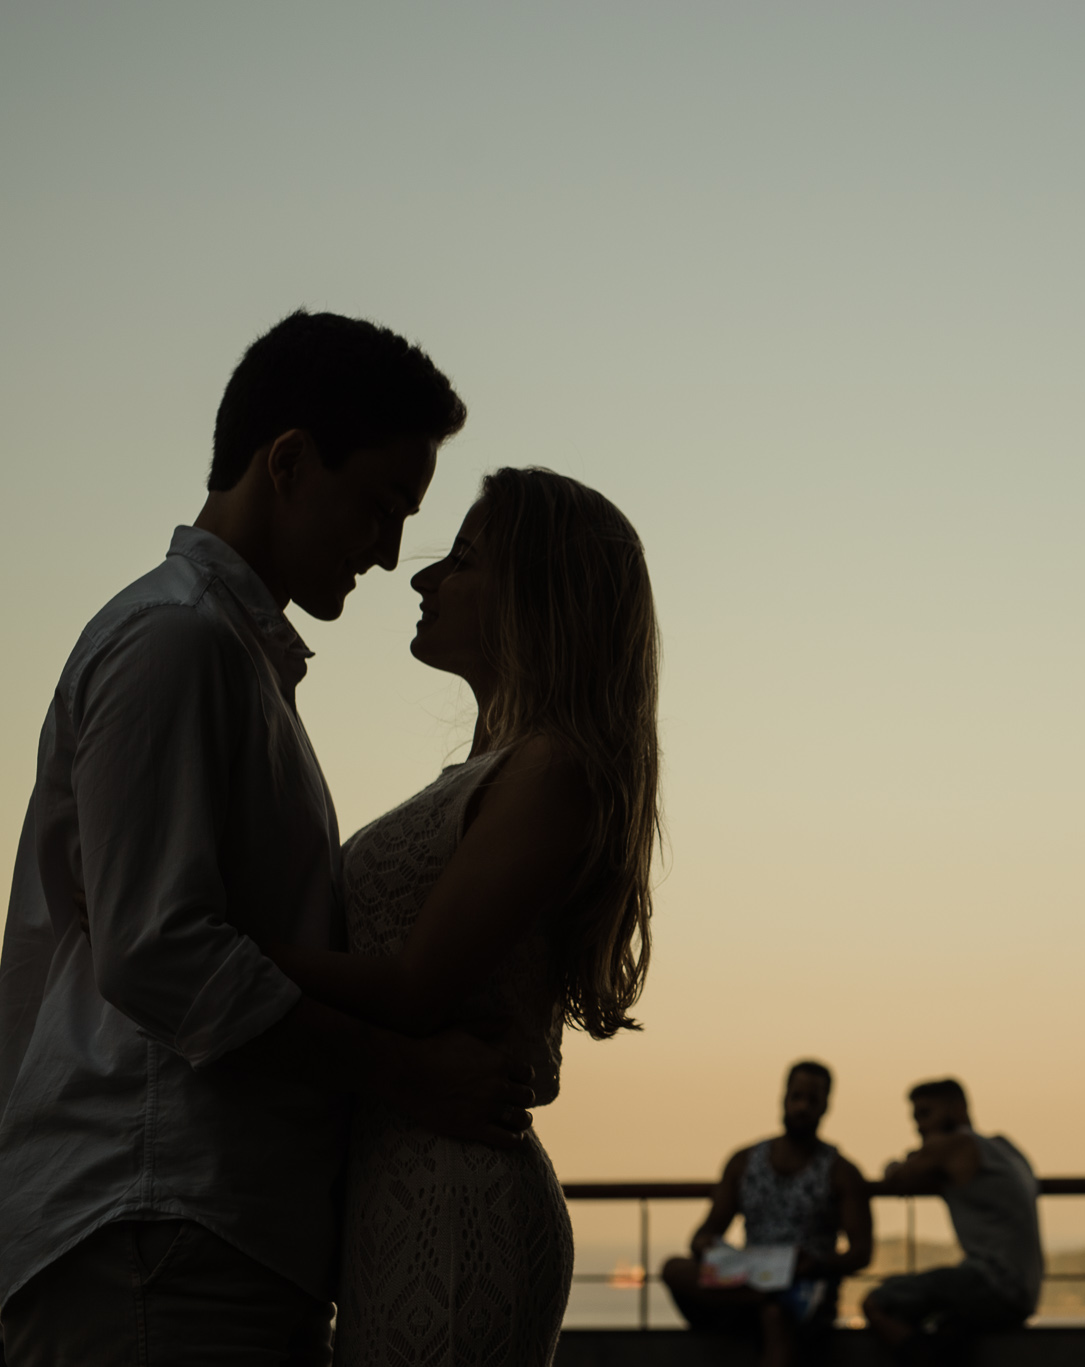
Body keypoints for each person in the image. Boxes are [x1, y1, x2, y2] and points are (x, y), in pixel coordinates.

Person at [0, 312, 534, 1364]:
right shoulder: (176, 640)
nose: (388, 554)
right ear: (289, 461)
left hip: (196, 1229)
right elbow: (158, 953)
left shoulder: (230, 659)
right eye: (381, 505)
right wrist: (410, 1072)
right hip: (154, 1222)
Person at [253, 464, 663, 1364]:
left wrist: (206, 943)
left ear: (538, 594)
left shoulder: (553, 770)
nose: (423, 575)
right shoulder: (504, 771)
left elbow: (413, 988)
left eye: (464, 557)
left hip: (452, 1198)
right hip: (405, 1189)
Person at [660, 1061, 875, 1365]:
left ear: (826, 1106)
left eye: (812, 1100)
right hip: (748, 1279)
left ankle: (769, 1298)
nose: (802, 1107)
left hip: (805, 1285)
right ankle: (767, 1295)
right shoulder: (744, 1162)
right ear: (783, 1098)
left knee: (775, 1317)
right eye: (797, 1097)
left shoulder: (842, 1173)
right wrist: (707, 1247)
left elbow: (861, 1252)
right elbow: (705, 1233)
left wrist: (816, 1263)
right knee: (673, 1268)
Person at [865, 1079, 1043, 1365]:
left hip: (992, 1282)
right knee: (948, 1330)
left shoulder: (956, 1145)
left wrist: (900, 1164)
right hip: (1024, 1291)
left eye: (925, 1114)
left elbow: (897, 1176)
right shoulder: (1004, 1147)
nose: (919, 1127)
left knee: (878, 1302)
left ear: (956, 1109)